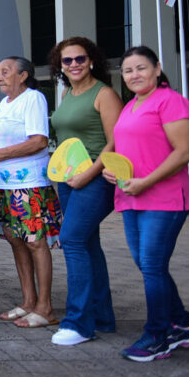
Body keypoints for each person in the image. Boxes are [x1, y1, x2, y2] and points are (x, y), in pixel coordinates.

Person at [101, 46, 189, 362]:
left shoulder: (170, 101)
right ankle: (182, 325)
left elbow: (185, 151)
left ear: (157, 69)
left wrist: (146, 181)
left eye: (141, 68)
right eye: (128, 70)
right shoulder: (132, 105)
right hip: (132, 196)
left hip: (166, 198)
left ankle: (158, 335)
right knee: (149, 265)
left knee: (152, 266)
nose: (134, 75)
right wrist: (112, 170)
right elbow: (135, 149)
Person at [48, 38, 123, 346]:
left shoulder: (104, 94)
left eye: (80, 58)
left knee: (72, 239)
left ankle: (78, 323)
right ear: (60, 66)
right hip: (68, 178)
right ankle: (102, 317)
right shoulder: (67, 93)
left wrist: (88, 175)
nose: (74, 64)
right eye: (68, 61)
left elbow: (116, 141)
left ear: (92, 60)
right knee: (89, 245)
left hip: (95, 176)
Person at [0, 56, 61, 328]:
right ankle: (28, 301)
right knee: (17, 242)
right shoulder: (5, 103)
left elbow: (38, 141)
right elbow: (4, 135)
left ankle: (45, 307)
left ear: (23, 75)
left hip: (28, 185)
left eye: (6, 71)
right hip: (4, 185)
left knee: (36, 243)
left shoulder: (33, 98)